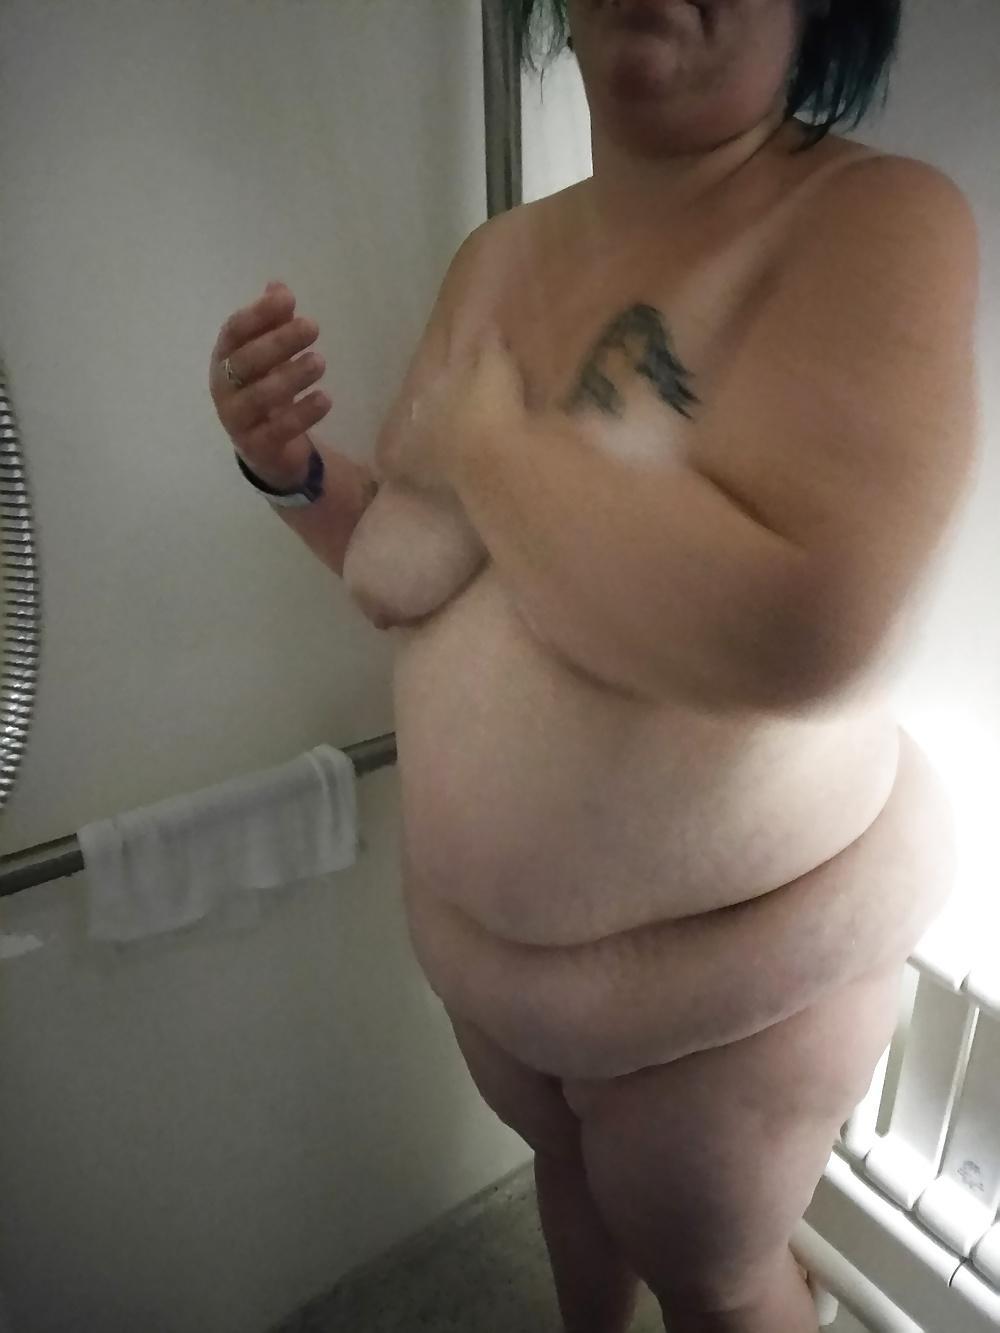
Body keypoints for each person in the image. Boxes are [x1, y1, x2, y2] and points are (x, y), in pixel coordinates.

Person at [209, 1, 980, 1328]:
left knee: (718, 1281)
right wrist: (289, 472)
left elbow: (807, 622)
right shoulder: (496, 256)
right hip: (496, 972)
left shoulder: (874, 218)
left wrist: (489, 440)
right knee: (566, 1180)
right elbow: (407, 563)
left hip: (734, 986)